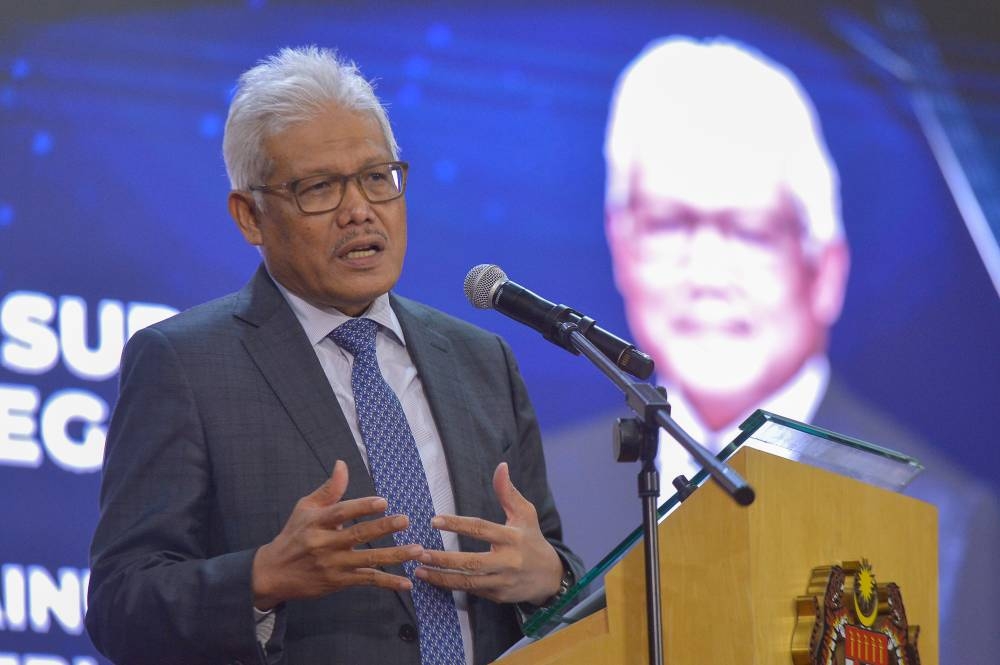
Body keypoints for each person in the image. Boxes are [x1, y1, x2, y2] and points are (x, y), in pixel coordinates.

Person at [85, 46, 582, 665]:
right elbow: (119, 605)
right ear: (250, 216)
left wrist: (548, 580)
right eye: (319, 187)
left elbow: (550, 562)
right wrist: (263, 576)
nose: (359, 210)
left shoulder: (482, 361)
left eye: (377, 177)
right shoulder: (183, 363)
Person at [545, 36, 999, 664]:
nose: (704, 270)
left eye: (748, 230)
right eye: (670, 225)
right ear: (621, 248)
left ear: (826, 268)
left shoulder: (949, 525)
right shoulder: (550, 487)